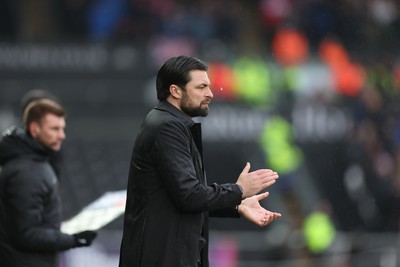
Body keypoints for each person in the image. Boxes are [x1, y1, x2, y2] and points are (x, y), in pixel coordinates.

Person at [119, 55, 282, 267]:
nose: (210, 94)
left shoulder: (171, 124)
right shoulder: (167, 127)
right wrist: (238, 190)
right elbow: (189, 196)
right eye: (202, 87)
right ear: (175, 91)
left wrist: (237, 205)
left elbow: (180, 198)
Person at [0, 98, 97, 267]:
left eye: (62, 128)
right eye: (55, 129)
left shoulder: (34, 162)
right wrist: (72, 240)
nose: (62, 135)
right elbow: (25, 234)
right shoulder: (26, 171)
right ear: (35, 129)